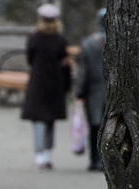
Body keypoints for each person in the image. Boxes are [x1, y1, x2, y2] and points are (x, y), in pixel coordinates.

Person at [21, 3, 71, 171]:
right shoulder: (60, 39)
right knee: (50, 121)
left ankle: (40, 156)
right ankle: (48, 155)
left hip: (38, 83)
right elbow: (65, 64)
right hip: (55, 84)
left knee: (38, 121)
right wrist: (67, 86)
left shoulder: (34, 38)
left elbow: (30, 59)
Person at [75, 8, 106, 172]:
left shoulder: (88, 43)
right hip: (113, 90)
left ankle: (96, 159)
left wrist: (79, 92)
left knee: (95, 126)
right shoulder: (124, 41)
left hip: (93, 91)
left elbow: (83, 72)